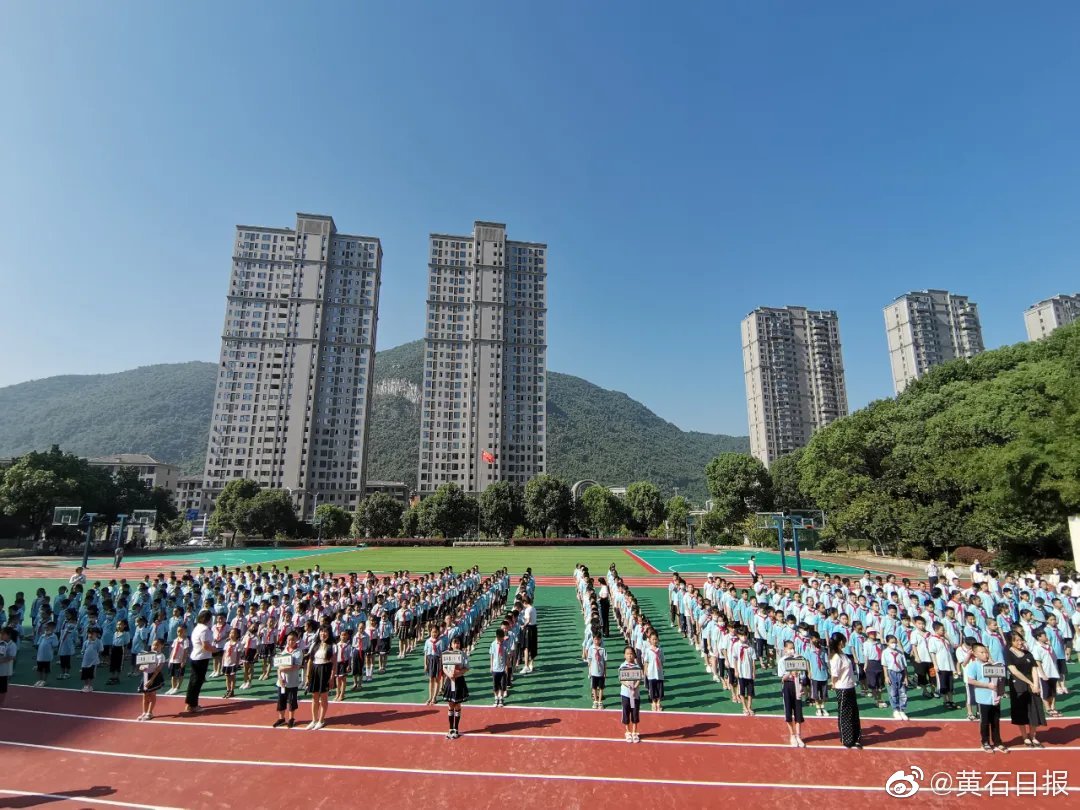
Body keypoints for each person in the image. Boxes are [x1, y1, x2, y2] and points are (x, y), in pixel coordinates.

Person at [964, 643, 1007, 753]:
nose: (985, 655)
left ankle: (997, 741)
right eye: (982, 652)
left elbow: (1000, 680)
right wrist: (987, 685)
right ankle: (985, 742)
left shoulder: (993, 665)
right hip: (983, 699)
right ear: (975, 654)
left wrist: (1001, 689)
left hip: (995, 698)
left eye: (986, 652)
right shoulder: (973, 665)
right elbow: (970, 680)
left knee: (996, 721)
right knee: (985, 722)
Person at [1006, 632, 1046, 748]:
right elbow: (1014, 671)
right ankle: (1025, 737)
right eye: (1016, 640)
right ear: (1011, 642)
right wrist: (1030, 683)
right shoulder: (1009, 654)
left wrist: (1036, 684)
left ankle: (1033, 736)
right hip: (1018, 685)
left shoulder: (1028, 653)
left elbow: (1034, 669)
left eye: (1020, 640)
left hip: (1032, 684)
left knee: (1035, 710)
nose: (1019, 642)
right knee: (1021, 711)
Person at [829, 632, 861, 749]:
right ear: (840, 642)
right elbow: (835, 674)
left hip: (850, 686)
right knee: (845, 714)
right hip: (842, 687)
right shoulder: (836, 657)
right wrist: (833, 684)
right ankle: (847, 739)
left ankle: (855, 737)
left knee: (853, 713)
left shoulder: (843, 654)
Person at [778, 640, 807, 748]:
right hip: (788, 686)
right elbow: (782, 678)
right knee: (789, 712)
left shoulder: (799, 659)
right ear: (785, 649)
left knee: (798, 712)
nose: (792, 650)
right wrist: (790, 672)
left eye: (793, 648)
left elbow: (803, 676)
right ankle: (792, 735)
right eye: (789, 648)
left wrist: (802, 687)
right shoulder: (782, 661)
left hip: (797, 686)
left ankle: (798, 735)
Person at [306, 625, 335, 730]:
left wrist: (332, 677)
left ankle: (321, 720)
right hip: (315, 670)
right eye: (321, 631)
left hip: (325, 671)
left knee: (323, 698)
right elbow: (310, 660)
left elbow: (334, 663)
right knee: (314, 697)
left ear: (329, 633)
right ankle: (314, 720)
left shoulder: (332, 646)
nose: (323, 634)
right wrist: (307, 676)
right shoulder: (314, 644)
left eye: (326, 632)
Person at [185, 610, 214, 713]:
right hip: (201, 658)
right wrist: (217, 650)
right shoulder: (204, 629)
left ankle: (190, 703)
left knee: (193, 681)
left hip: (196, 657)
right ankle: (193, 705)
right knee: (197, 682)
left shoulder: (198, 627)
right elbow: (206, 646)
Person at [273, 631, 303, 729]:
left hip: (292, 682)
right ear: (287, 640)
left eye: (293, 640)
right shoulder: (283, 651)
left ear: (296, 640)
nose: (291, 642)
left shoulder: (298, 652)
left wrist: (283, 668)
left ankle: (291, 719)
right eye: (289, 640)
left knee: (292, 701)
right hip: (282, 682)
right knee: (281, 700)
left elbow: (296, 666)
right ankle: (281, 718)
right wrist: (279, 678)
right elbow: (278, 667)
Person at [442, 635, 469, 740]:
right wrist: (449, 674)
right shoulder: (447, 654)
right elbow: (444, 667)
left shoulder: (463, 655)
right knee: (450, 705)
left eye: (458, 643)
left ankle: (456, 729)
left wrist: (459, 673)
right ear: (451, 644)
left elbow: (466, 668)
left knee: (457, 705)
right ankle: (450, 729)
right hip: (450, 681)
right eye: (454, 643)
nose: (456, 644)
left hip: (459, 681)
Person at [137, 638, 166, 721]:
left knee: (152, 694)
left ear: (162, 646)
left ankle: (150, 713)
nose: (154, 646)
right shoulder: (148, 654)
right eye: (153, 644)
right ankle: (144, 712)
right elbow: (141, 666)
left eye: (157, 645)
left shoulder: (161, 656)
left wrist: (152, 679)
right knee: (145, 695)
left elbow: (158, 669)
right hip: (145, 676)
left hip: (154, 677)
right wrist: (141, 667)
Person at [882, 634, 909, 720]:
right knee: (893, 692)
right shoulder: (885, 652)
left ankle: (902, 710)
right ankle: (895, 710)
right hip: (891, 672)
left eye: (895, 642)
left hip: (900, 672)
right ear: (887, 643)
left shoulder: (900, 652)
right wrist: (886, 676)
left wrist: (905, 677)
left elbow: (904, 666)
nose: (894, 644)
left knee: (903, 692)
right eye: (891, 642)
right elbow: (885, 666)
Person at [618, 646, 641, 743]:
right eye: (627, 654)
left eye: (631, 653)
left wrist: (635, 686)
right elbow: (621, 679)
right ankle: (627, 731)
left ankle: (635, 731)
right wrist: (628, 685)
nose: (630, 655)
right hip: (626, 694)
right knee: (626, 712)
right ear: (624, 655)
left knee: (635, 713)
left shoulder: (637, 667)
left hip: (635, 695)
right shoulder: (622, 666)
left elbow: (639, 679)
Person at [644, 632, 665, 712]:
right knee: (652, 689)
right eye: (653, 639)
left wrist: (661, 669)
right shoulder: (648, 650)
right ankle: (653, 702)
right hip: (651, 673)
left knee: (660, 688)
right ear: (650, 640)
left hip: (659, 673)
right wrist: (645, 671)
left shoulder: (660, 650)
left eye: (656, 639)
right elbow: (646, 661)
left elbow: (662, 661)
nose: (655, 641)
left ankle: (658, 703)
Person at [166, 624, 190, 695]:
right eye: (178, 631)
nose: (178, 633)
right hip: (173, 660)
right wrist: (170, 659)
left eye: (180, 631)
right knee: (173, 675)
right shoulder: (175, 640)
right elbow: (173, 650)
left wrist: (183, 661)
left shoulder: (185, 640)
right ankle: (173, 687)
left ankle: (177, 687)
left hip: (180, 661)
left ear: (185, 631)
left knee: (179, 675)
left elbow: (186, 651)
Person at [586, 632, 607, 709]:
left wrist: (605, 672)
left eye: (598, 639)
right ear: (593, 639)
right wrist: (590, 671)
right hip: (594, 672)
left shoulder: (603, 650)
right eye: (595, 639)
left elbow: (605, 661)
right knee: (594, 687)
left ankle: (600, 701)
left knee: (601, 688)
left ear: (600, 640)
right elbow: (589, 661)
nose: (596, 641)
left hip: (601, 672)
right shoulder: (591, 649)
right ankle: (595, 701)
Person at [34, 621, 58, 687]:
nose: (47, 629)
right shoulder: (42, 636)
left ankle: (44, 681)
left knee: (46, 670)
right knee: (39, 669)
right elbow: (38, 644)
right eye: (46, 628)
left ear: (53, 628)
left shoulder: (54, 636)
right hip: (40, 656)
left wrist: (50, 637)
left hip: (47, 657)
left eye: (49, 628)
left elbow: (55, 645)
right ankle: (39, 680)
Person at [490, 627, 509, 707]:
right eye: (499, 638)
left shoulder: (505, 644)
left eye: (502, 638)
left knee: (502, 684)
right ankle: (496, 698)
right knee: (495, 684)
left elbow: (507, 656)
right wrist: (491, 666)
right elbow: (492, 655)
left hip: (502, 668)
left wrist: (507, 666)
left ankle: (501, 698)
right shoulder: (493, 644)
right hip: (495, 668)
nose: (501, 640)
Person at [80, 627, 104, 693]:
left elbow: (100, 650)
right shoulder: (86, 642)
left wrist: (96, 657)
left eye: (92, 633)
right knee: (85, 674)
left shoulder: (98, 642)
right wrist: (83, 653)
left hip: (93, 661)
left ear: (96, 634)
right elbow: (83, 650)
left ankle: (90, 686)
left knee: (90, 674)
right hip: (85, 661)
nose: (90, 635)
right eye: (89, 633)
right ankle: (85, 685)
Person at [424, 626, 442, 705]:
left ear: (438, 632)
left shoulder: (440, 642)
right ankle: (430, 697)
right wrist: (425, 664)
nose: (434, 634)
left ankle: (434, 697)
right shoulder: (428, 641)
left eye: (435, 632)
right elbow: (425, 653)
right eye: (432, 632)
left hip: (437, 660)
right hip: (430, 660)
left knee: (437, 680)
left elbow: (441, 654)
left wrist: (441, 664)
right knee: (431, 679)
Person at [0, 626, 17, 707]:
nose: (1, 635)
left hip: (4, 670)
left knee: (2, 687)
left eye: (3, 634)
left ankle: (1, 703)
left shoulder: (12, 645)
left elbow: (12, 657)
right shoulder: (1, 643)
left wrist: (1, 660)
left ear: (9, 635)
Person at [521, 595, 537, 674]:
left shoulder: (527, 610)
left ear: (524, 602)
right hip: (534, 628)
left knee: (526, 648)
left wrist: (523, 625)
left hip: (529, 629)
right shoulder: (533, 608)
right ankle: (531, 664)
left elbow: (528, 619)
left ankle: (526, 666)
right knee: (533, 647)